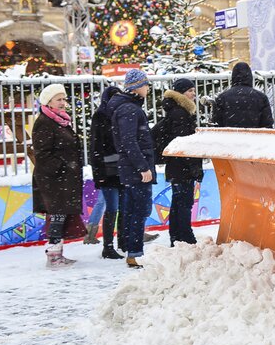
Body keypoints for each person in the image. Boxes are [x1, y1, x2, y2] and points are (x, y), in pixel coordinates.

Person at [32, 83, 86, 268]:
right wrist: (64, 167)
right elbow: (42, 153)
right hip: (53, 180)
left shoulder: (60, 120)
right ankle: (54, 255)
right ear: (48, 101)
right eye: (58, 99)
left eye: (64, 99)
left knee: (60, 216)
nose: (63, 102)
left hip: (63, 179)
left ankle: (57, 253)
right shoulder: (44, 122)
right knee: (57, 216)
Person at [106, 69, 156, 269]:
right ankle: (135, 253)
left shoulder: (129, 107)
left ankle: (131, 250)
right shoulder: (129, 109)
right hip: (135, 169)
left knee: (132, 210)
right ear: (136, 87)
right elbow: (129, 141)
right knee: (139, 211)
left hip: (131, 168)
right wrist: (143, 167)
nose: (148, 87)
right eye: (145, 84)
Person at [160, 78, 203, 246]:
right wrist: (193, 167)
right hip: (182, 166)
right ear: (181, 93)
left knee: (178, 202)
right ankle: (185, 237)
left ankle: (177, 236)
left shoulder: (177, 111)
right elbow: (184, 143)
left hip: (177, 165)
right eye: (190, 91)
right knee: (184, 203)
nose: (193, 94)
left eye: (194, 90)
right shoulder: (180, 113)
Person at [87, 85, 124, 259]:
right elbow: (95, 147)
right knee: (112, 208)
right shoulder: (100, 116)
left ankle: (123, 241)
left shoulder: (122, 115)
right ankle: (107, 246)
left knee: (124, 208)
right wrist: (99, 174)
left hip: (123, 169)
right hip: (108, 172)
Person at [212, 62, 274, 128]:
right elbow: (267, 124)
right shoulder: (261, 97)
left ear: (233, 77)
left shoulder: (222, 97)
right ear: (250, 77)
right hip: (254, 134)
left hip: (230, 134)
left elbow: (217, 123)